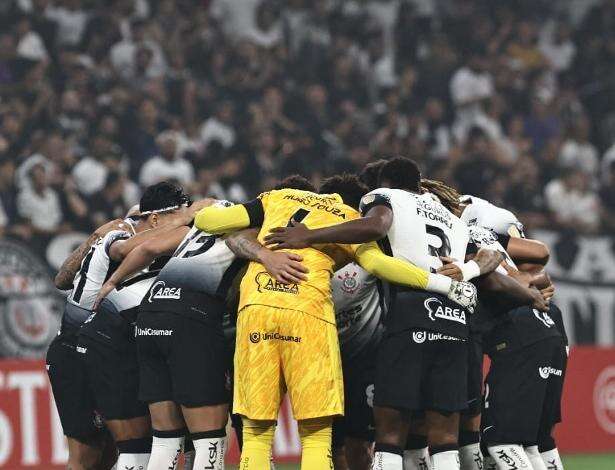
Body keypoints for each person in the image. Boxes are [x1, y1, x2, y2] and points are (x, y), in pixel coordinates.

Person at [262, 158, 545, 470]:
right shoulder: (451, 217)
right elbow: (491, 257)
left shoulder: (385, 201)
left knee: (390, 436)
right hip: (455, 321)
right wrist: (505, 284)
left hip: (409, 317)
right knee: (445, 438)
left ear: (383, 184)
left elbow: (376, 226)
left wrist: (309, 235)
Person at [194, 171, 478, 470]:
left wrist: (226, 223)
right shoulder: (348, 219)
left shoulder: (276, 198)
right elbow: (379, 264)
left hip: (257, 310)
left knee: (255, 433)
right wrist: (444, 285)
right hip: (310, 316)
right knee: (317, 435)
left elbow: (208, 222)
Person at [53, 181, 194, 470]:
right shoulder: (122, 239)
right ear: (152, 219)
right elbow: (126, 250)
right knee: (89, 454)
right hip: (78, 348)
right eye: (174, 218)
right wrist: (187, 219)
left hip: (94, 346)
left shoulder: (115, 236)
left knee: (108, 453)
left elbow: (62, 280)